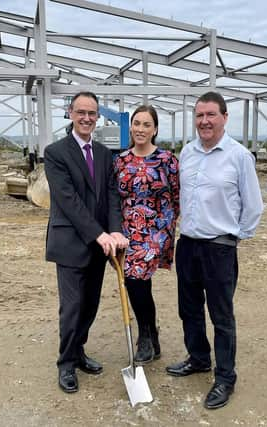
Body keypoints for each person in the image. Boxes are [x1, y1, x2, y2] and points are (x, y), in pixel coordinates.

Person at [165, 91, 264, 410]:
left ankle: (225, 377)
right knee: (189, 309)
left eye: (210, 115)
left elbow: (253, 206)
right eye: (199, 116)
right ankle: (198, 358)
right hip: (188, 245)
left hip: (219, 248)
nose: (204, 121)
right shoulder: (187, 153)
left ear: (224, 117)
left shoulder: (238, 156)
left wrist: (233, 238)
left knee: (221, 316)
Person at [44, 91, 129, 394]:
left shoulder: (107, 155)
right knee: (72, 306)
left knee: (90, 305)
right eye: (81, 112)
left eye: (92, 113)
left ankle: (79, 351)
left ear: (97, 117)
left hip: (101, 245)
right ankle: (65, 362)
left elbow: (112, 198)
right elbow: (69, 201)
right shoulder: (55, 153)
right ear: (70, 114)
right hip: (70, 242)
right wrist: (99, 233)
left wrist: (116, 231)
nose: (87, 118)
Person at [113, 105, 180, 365]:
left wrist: (164, 229)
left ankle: (145, 336)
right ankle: (151, 333)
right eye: (136, 123)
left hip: (156, 231)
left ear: (155, 129)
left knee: (135, 277)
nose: (140, 129)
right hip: (127, 231)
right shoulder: (120, 161)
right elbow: (115, 198)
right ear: (131, 127)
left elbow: (177, 196)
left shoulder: (167, 160)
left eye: (146, 125)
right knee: (136, 283)